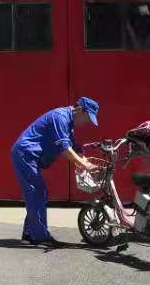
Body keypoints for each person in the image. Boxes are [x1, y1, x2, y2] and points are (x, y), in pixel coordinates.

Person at [11, 98, 100, 246]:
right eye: (87, 118)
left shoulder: (68, 122)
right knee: (37, 192)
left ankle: (30, 232)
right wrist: (83, 164)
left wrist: (87, 163)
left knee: (38, 193)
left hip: (30, 155)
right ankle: (39, 237)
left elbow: (75, 147)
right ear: (79, 109)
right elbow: (64, 148)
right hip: (25, 154)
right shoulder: (60, 117)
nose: (87, 122)